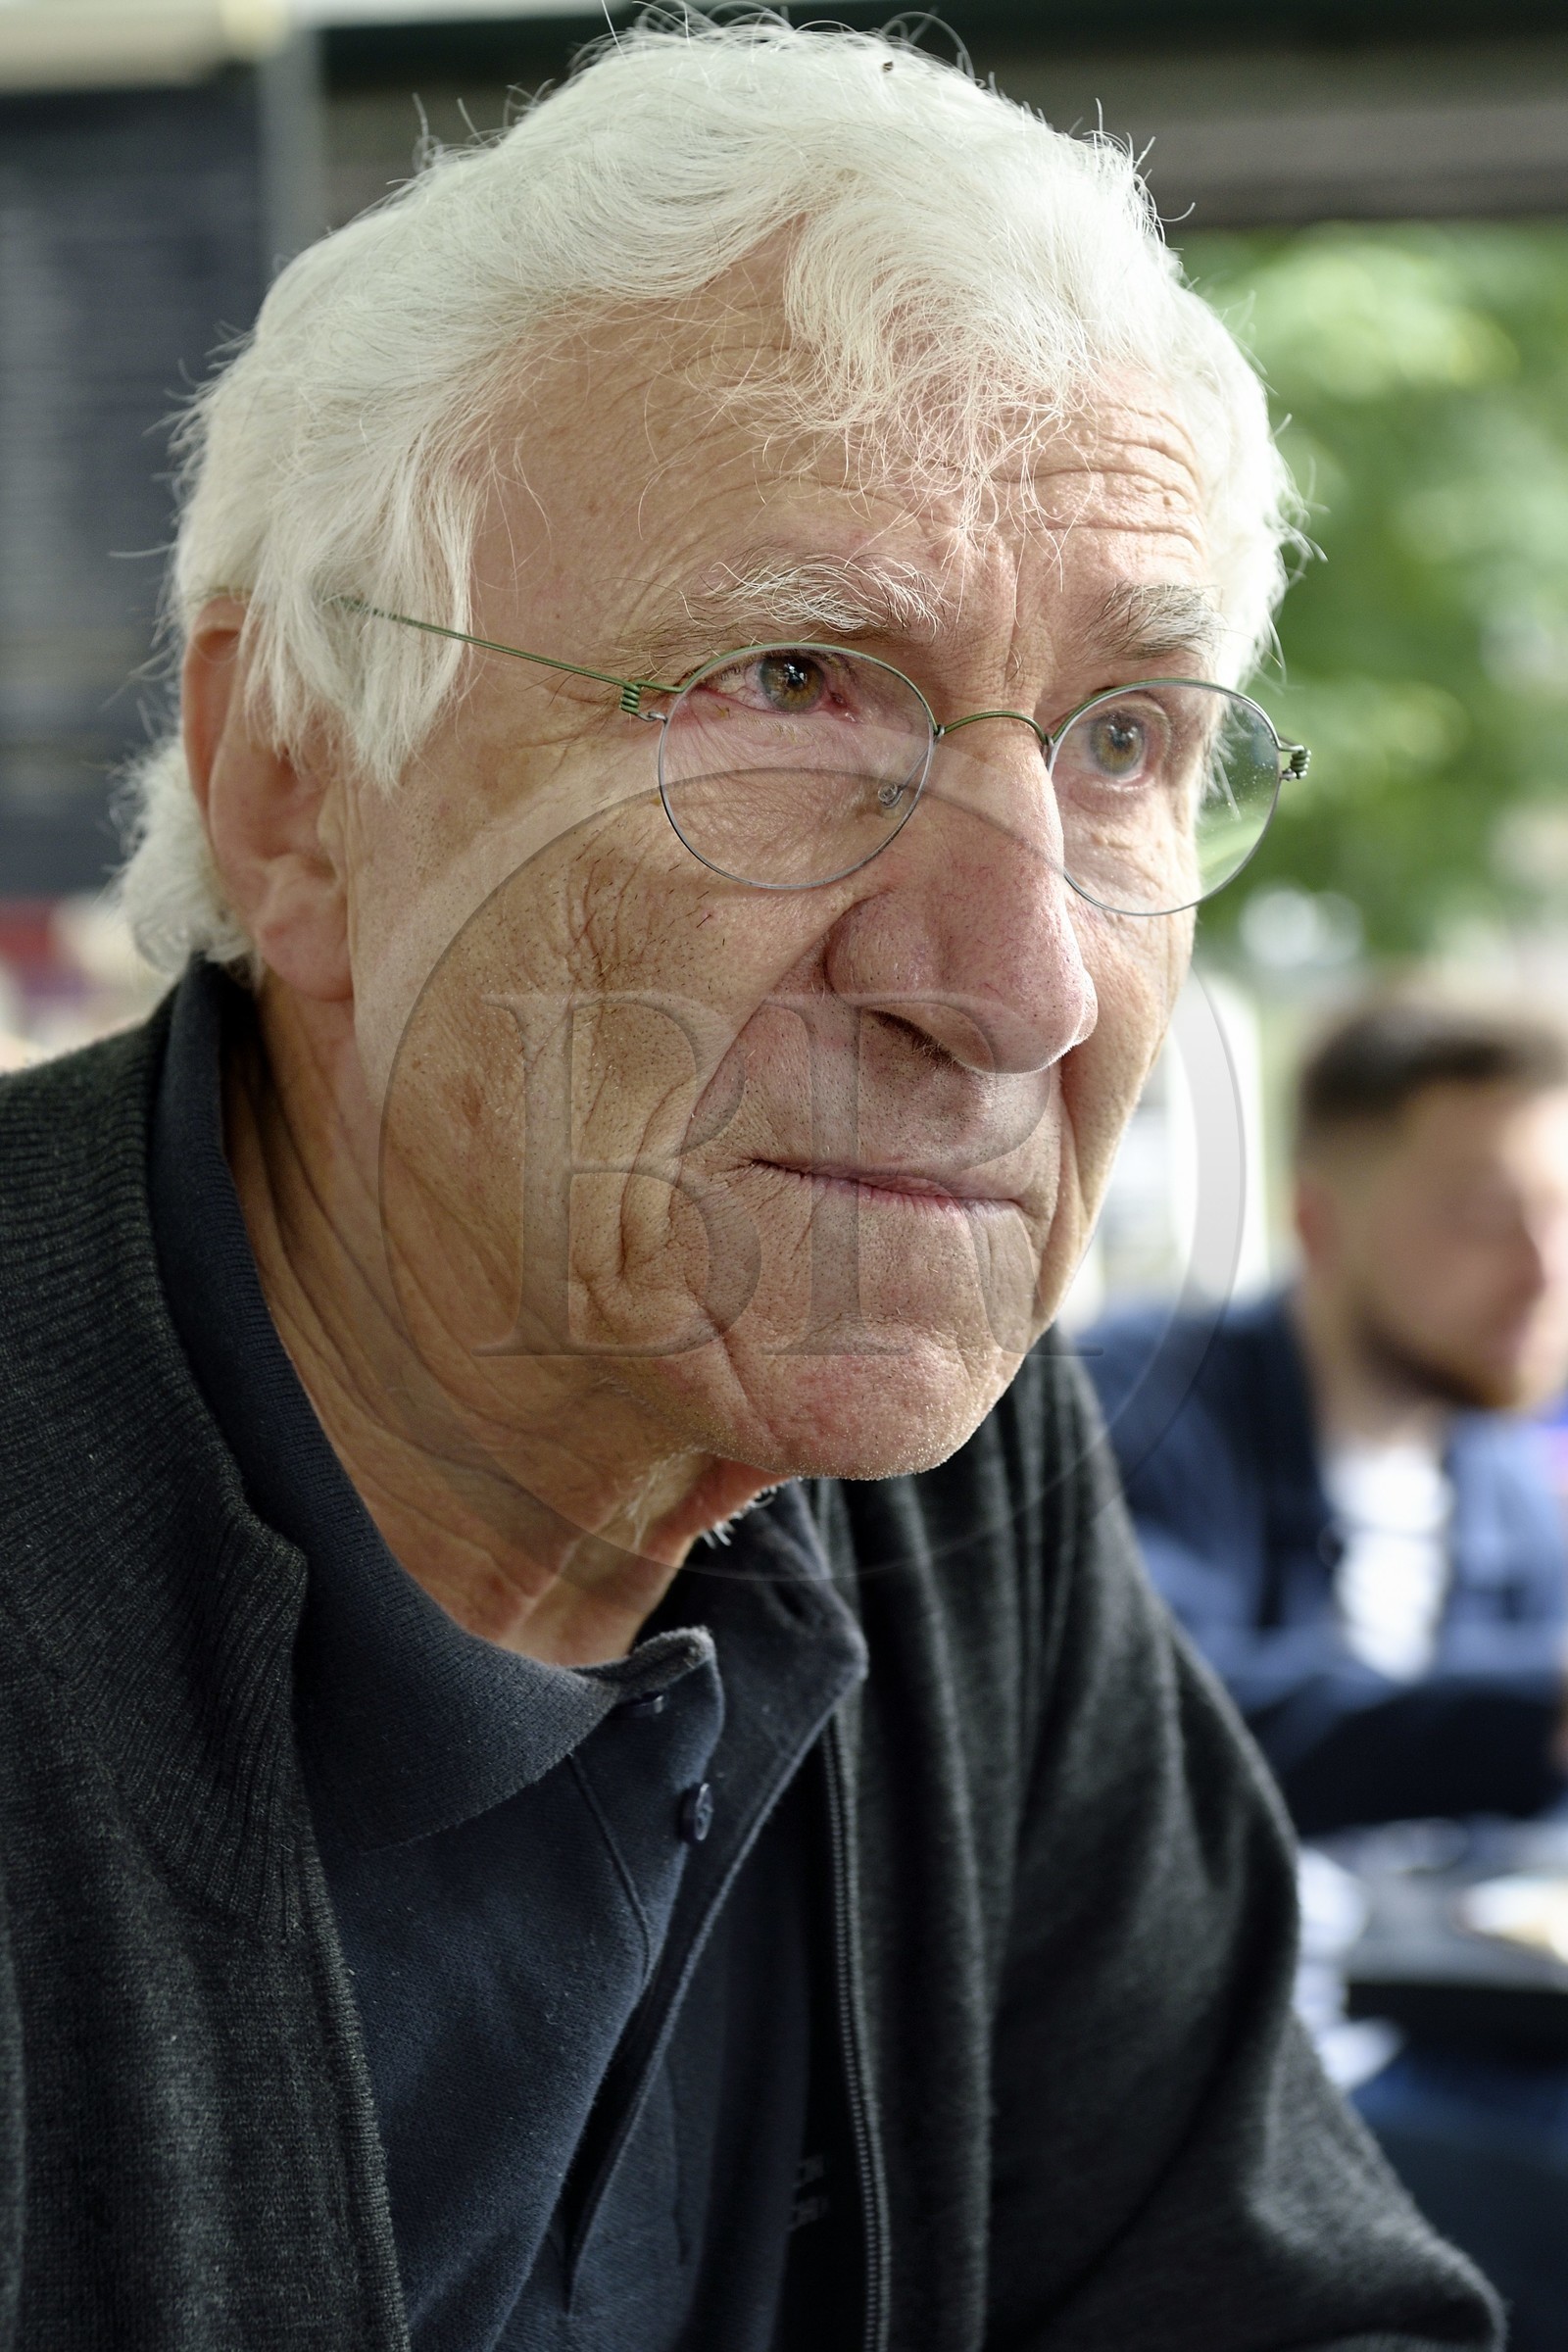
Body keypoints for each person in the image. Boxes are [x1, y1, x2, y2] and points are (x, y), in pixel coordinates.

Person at [0, 24, 1494, 2352]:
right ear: (296, 784)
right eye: (792, 681)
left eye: (1123, 743)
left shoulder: (960, 1497)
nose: (1008, 984)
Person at [1088, 997, 1568, 1839]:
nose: (1544, 1272)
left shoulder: (1509, 1492)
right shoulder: (1142, 1403)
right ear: (1317, 1222)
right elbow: (1154, 1720)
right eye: (1487, 1218)